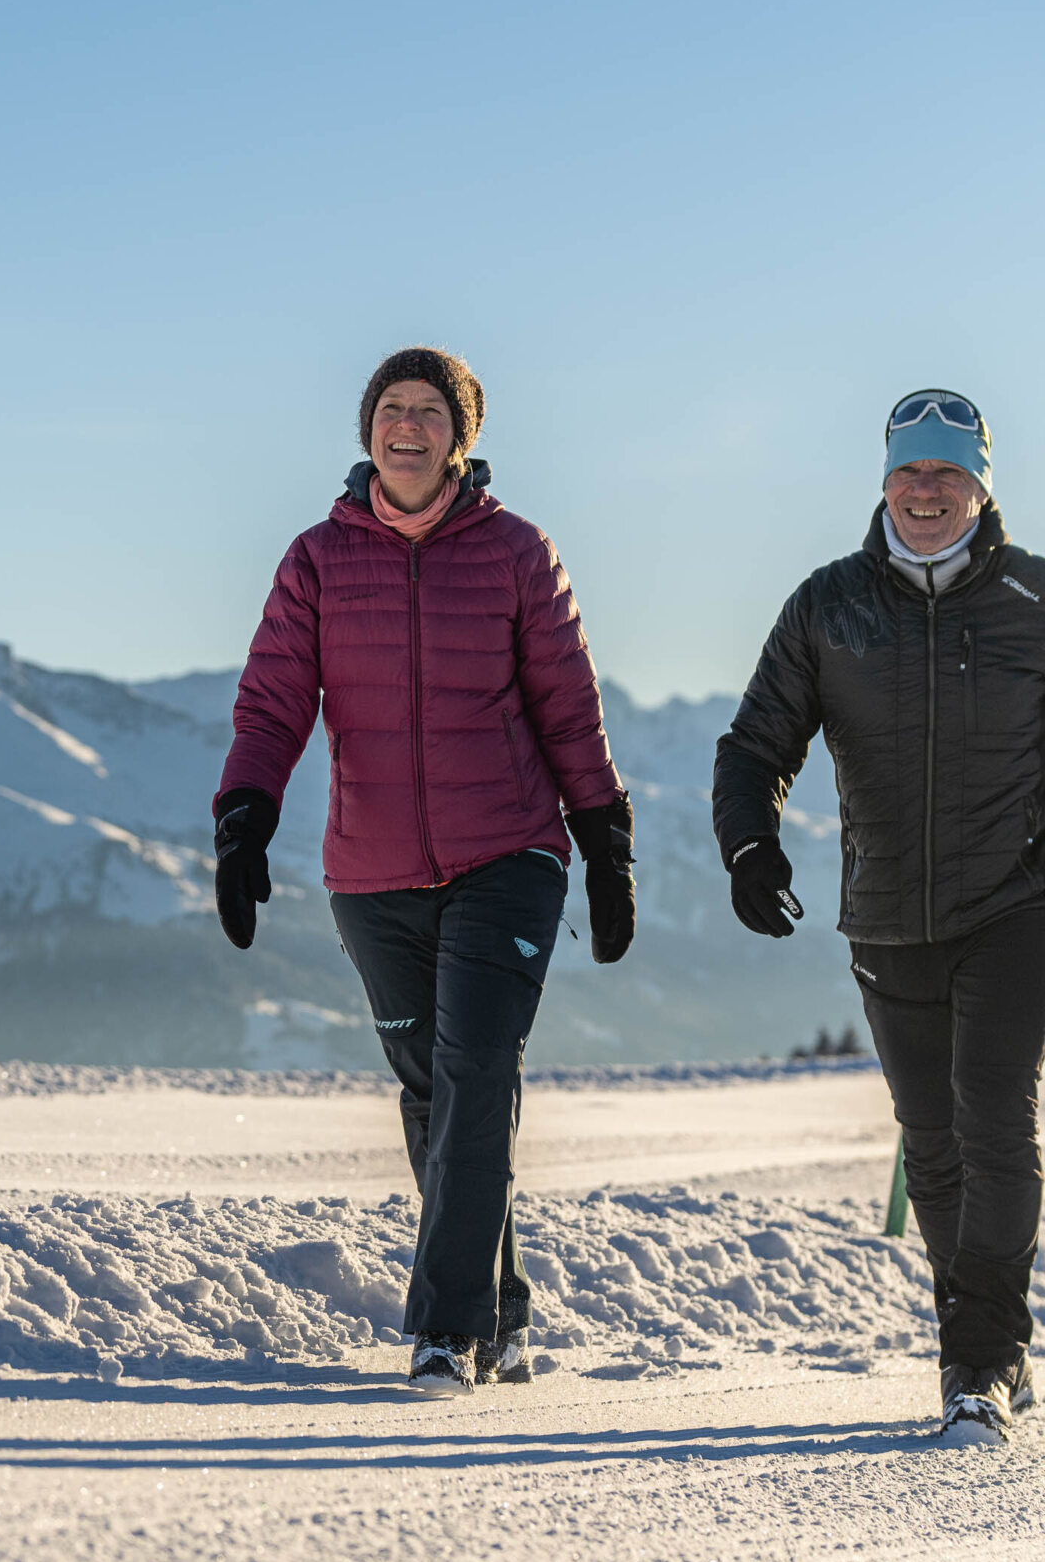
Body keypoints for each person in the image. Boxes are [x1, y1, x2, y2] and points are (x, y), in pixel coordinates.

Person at [212, 346, 634, 1395]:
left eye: (429, 413)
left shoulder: (516, 554)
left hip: (509, 854)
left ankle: (446, 1333)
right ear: (368, 432)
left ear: (462, 436)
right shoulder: (316, 560)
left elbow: (569, 711)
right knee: (435, 1095)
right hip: (375, 873)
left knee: (476, 1070)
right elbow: (273, 702)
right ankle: (503, 1310)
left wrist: (606, 845)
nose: (408, 427)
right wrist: (243, 820)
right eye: (392, 410)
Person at [714, 389, 1045, 1445]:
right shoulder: (830, 606)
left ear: (982, 485)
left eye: (949, 472)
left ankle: (978, 1364)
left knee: (995, 1121)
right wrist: (750, 844)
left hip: (1017, 902)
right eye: (911, 471)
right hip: (887, 913)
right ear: (885, 481)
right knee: (933, 1141)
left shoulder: (1035, 599)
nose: (927, 490)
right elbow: (755, 746)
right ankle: (986, 1339)